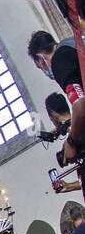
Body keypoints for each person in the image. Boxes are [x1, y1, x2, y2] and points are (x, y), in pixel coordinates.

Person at [28, 32, 85, 167]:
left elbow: (81, 106)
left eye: (40, 67)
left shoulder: (59, 59)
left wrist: (71, 141)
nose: (44, 70)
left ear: (40, 59)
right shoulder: (72, 44)